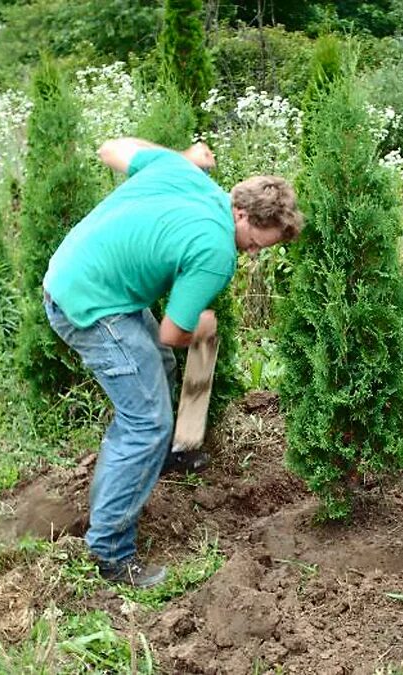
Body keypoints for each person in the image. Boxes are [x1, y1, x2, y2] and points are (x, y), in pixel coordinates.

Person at [42, 137, 302, 587]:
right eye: (258, 242)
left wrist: (180, 156)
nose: (256, 253)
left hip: (80, 274)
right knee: (145, 421)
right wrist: (198, 327)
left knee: (157, 364)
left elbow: (111, 149)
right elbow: (172, 332)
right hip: (91, 306)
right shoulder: (216, 253)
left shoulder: (185, 173)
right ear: (241, 215)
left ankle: (157, 459)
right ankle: (110, 553)